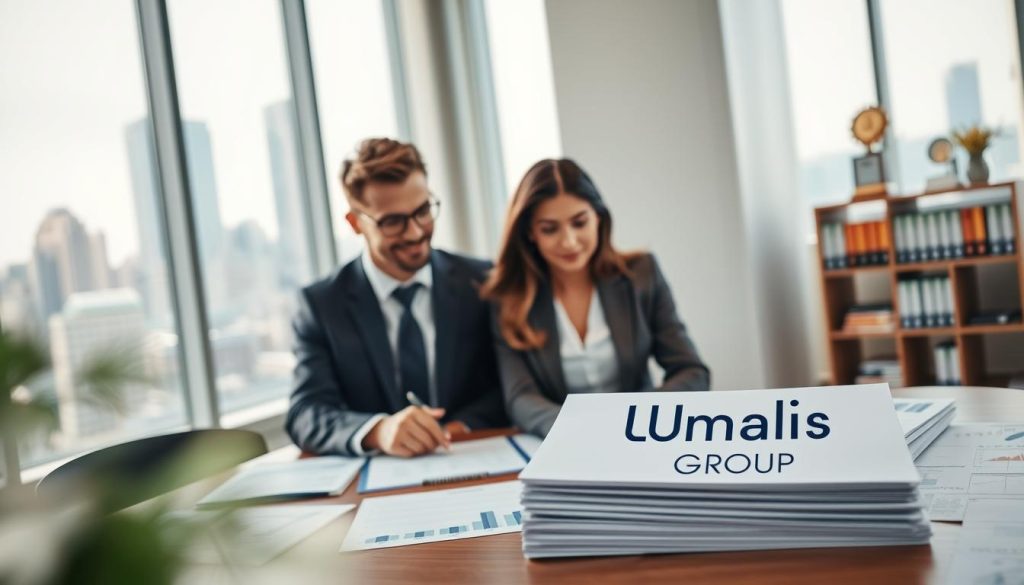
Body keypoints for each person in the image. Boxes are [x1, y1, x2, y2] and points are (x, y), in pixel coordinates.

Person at [286, 138, 507, 457]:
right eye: (392, 222)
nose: (415, 232)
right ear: (355, 222)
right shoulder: (321, 305)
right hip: (372, 485)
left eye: (422, 212)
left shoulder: (481, 282)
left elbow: (506, 388)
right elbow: (306, 413)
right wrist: (378, 430)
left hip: (466, 459)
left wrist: (456, 428)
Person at [481, 158, 709, 438]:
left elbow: (692, 371)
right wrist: (581, 431)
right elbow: (520, 398)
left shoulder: (641, 274)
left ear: (599, 218)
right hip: (567, 440)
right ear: (530, 233)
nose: (569, 241)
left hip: (642, 435)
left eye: (579, 223)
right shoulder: (509, 298)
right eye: (550, 229)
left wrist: (640, 420)